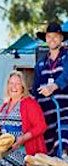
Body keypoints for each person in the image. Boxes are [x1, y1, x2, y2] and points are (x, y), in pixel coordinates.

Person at [33, 22, 68, 156]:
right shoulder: (40, 63)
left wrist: (54, 86)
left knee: (62, 143)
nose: (52, 39)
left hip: (64, 109)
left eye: (56, 36)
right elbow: (36, 88)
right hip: (45, 112)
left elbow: (66, 75)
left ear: (61, 38)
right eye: (49, 36)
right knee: (47, 149)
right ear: (46, 39)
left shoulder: (66, 56)